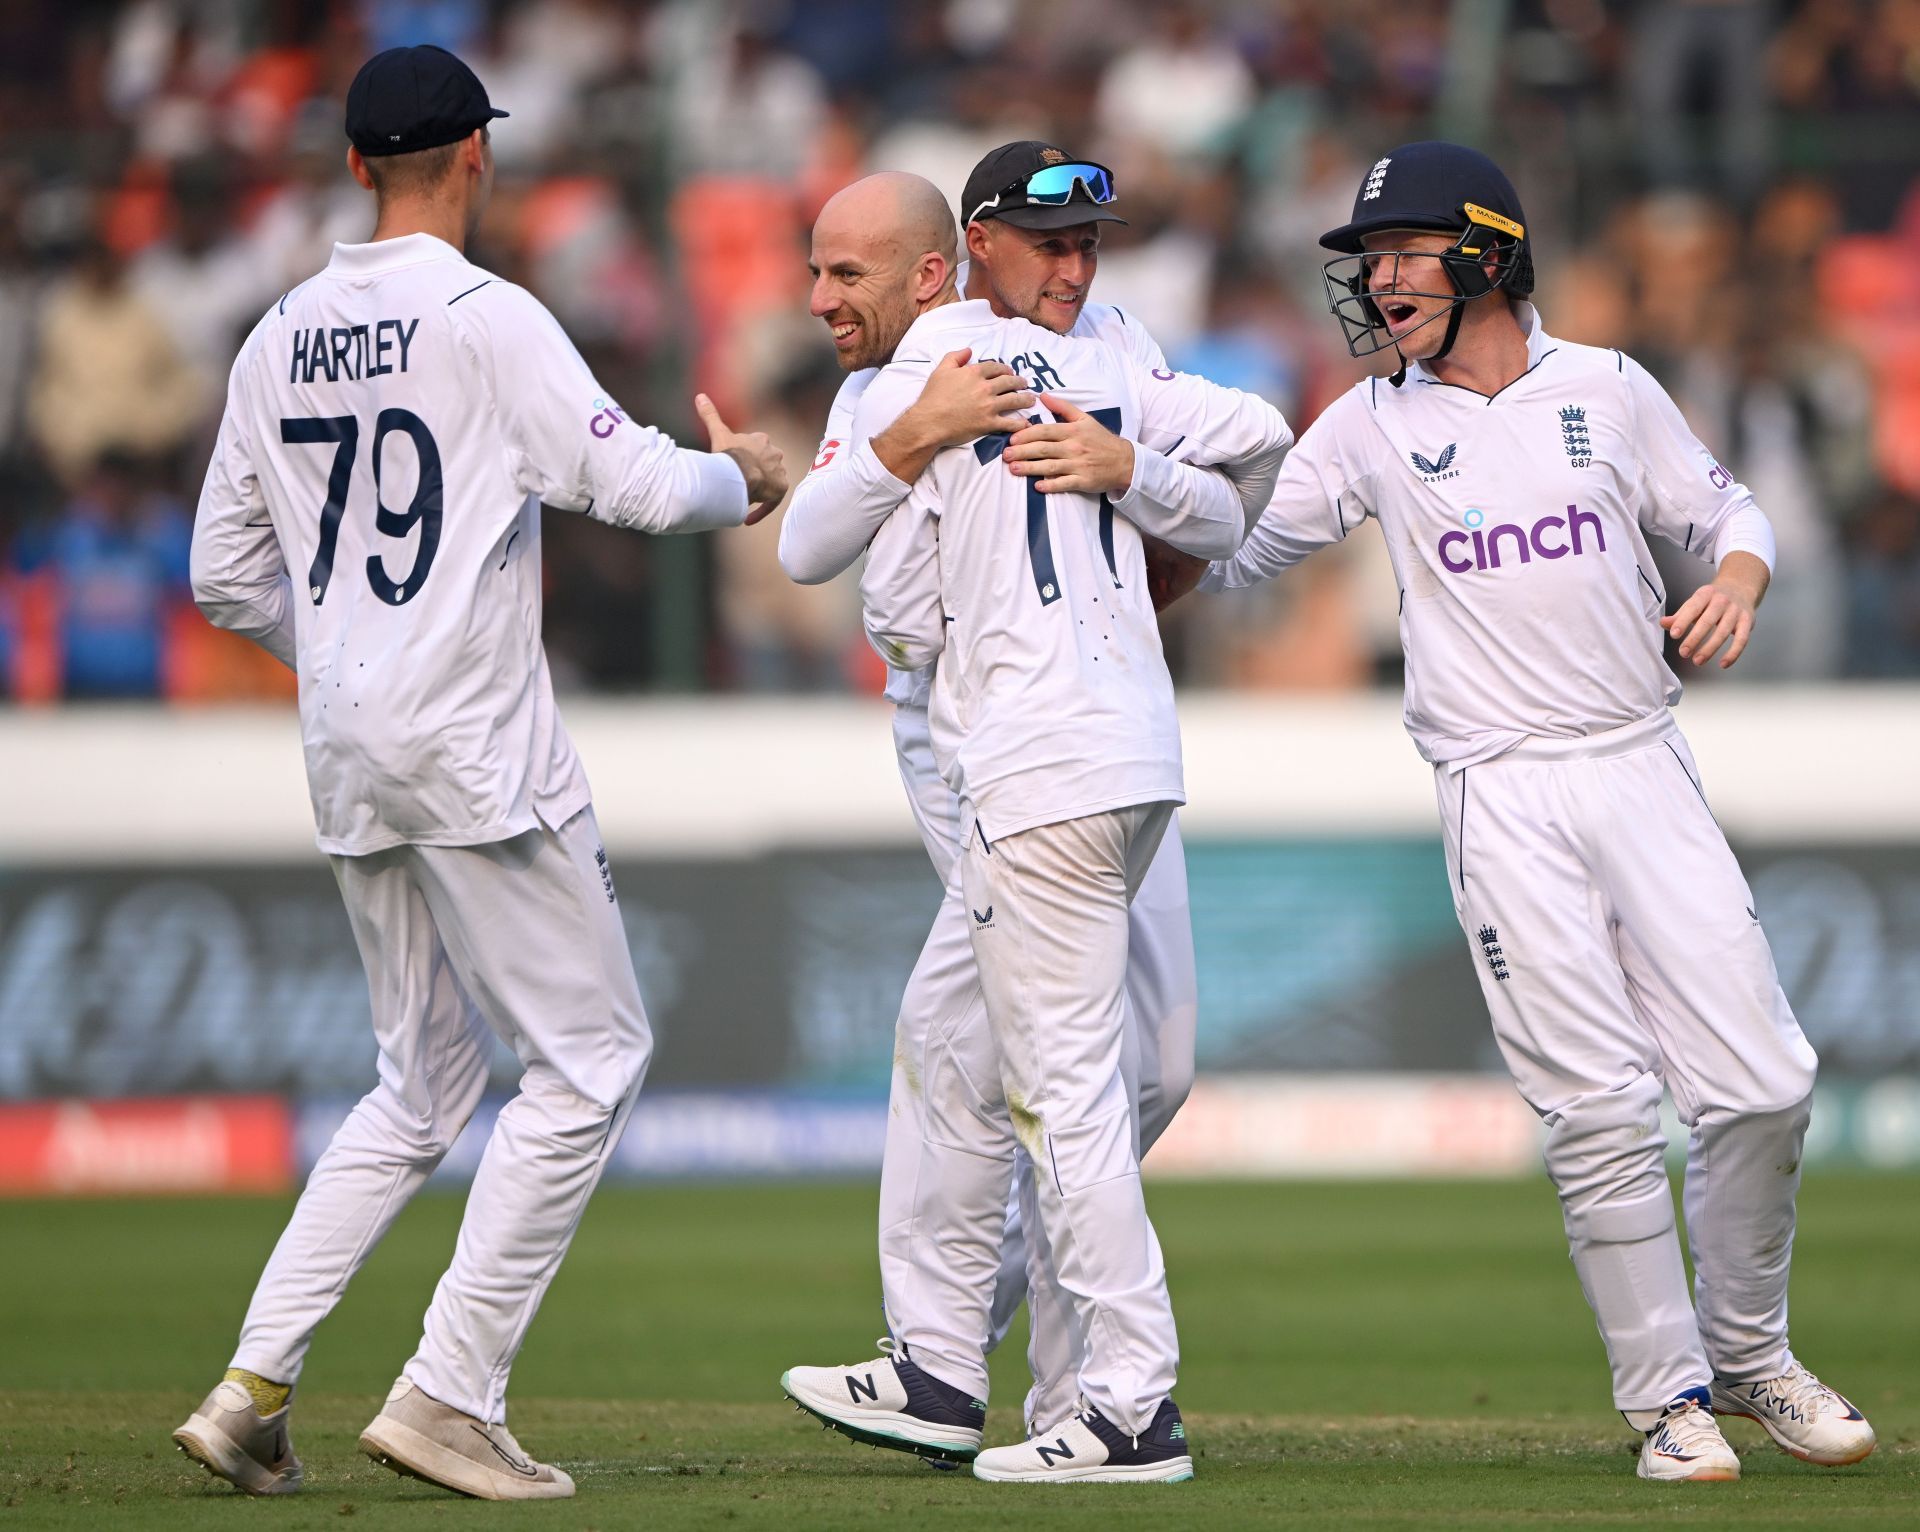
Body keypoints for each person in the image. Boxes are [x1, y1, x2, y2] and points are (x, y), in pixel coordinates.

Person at [1157, 141, 1875, 1483]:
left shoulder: (1606, 387)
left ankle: (1750, 1353)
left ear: (1487, 252)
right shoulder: (1370, 419)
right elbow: (1237, 548)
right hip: (1502, 792)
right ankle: (1668, 1404)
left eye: (1404, 251)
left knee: (1768, 1085)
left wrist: (1736, 581)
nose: (1376, 280)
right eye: (1366, 261)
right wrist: (1123, 489)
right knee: (1598, 1109)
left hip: (1641, 761)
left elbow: (1736, 510)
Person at [171, 45, 785, 1501]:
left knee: (420, 1082)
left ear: (352, 167)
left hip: (350, 749)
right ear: (475, 159)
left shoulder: (277, 333)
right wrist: (747, 478)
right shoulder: (486, 315)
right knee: (593, 1061)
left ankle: (253, 1386)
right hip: (477, 747)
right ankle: (449, 1390)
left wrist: (341, 653)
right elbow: (634, 483)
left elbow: (217, 573)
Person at [777, 149, 1253, 1461]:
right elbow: (824, 540)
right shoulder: (906, 372)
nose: (1078, 263)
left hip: (1077, 716)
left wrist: (1137, 498)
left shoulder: (1106, 339)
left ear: (940, 262)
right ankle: (979, 1369)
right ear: (979, 249)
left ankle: (997, 1367)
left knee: (1125, 1065)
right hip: (977, 727)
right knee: (1002, 1045)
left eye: (843, 271)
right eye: (1053, 243)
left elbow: (1230, 496)